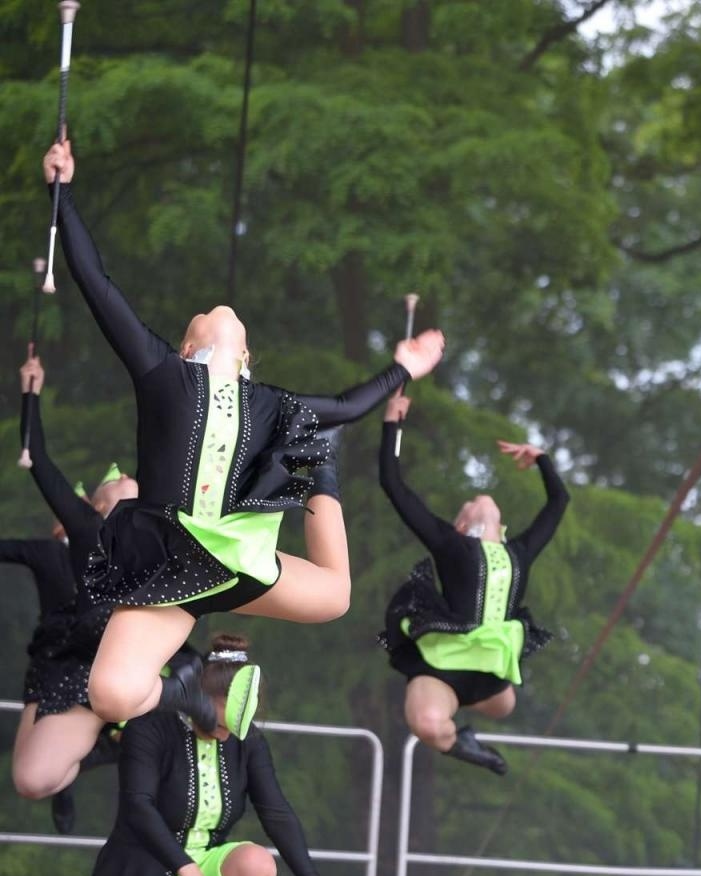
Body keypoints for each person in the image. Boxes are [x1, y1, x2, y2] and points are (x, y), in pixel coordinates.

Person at [41, 139, 444, 734]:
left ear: (247, 354)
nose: (220, 311)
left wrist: (403, 368)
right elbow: (96, 283)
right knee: (111, 697)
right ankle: (191, 692)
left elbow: (346, 403)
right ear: (188, 345)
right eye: (203, 316)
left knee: (336, 596)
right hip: (169, 568)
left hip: (237, 559)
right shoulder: (163, 373)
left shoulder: (271, 403)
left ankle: (319, 467)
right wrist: (63, 191)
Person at [69, 634, 366, 876]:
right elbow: (137, 809)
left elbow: (275, 811)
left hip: (205, 866)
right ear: (201, 701)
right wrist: (186, 870)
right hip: (144, 869)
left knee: (257, 863)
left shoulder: (247, 741)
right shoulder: (151, 726)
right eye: (225, 717)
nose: (232, 731)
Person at [377, 393, 568, 774]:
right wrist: (391, 425)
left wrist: (541, 459)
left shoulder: (521, 550)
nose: (478, 498)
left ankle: (469, 710)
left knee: (506, 705)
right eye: (468, 503)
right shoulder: (451, 543)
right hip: (441, 669)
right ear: (462, 524)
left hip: (490, 681)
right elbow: (393, 483)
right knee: (429, 724)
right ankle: (459, 742)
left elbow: (558, 500)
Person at [13, 354, 136, 830]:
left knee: (32, 777)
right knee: (28, 779)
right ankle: (82, 766)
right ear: (95, 506)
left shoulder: (154, 544)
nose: (127, 483)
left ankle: (122, 732)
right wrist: (31, 393)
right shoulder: (84, 532)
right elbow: (40, 462)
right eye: (117, 487)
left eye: (134, 486)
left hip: (103, 678)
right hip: (55, 663)